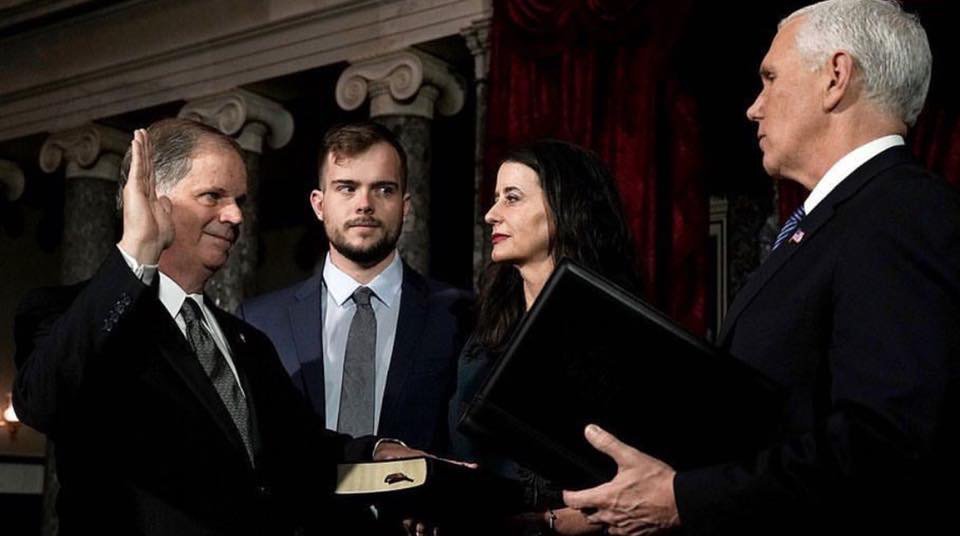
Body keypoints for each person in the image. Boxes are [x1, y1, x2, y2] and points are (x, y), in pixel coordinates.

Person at [562, 1, 960, 534]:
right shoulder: (839, 219)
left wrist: (684, 498)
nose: (753, 108)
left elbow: (882, 442)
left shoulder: (900, 213)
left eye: (770, 78)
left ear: (835, 77)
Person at [13, 118, 417, 536]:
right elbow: (42, 401)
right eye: (213, 196)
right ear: (151, 199)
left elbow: (301, 450)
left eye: (239, 199)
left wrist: (376, 451)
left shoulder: (247, 341)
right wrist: (135, 251)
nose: (236, 215)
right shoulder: (62, 312)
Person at [239, 121, 471, 452]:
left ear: (405, 206)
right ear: (319, 205)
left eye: (384, 190)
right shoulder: (259, 321)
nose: (364, 204)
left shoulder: (459, 315)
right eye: (347, 188)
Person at [447, 139, 641, 535]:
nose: (491, 215)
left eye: (512, 198)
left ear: (564, 208)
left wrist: (558, 522)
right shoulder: (483, 335)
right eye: (495, 199)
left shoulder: (625, 335)